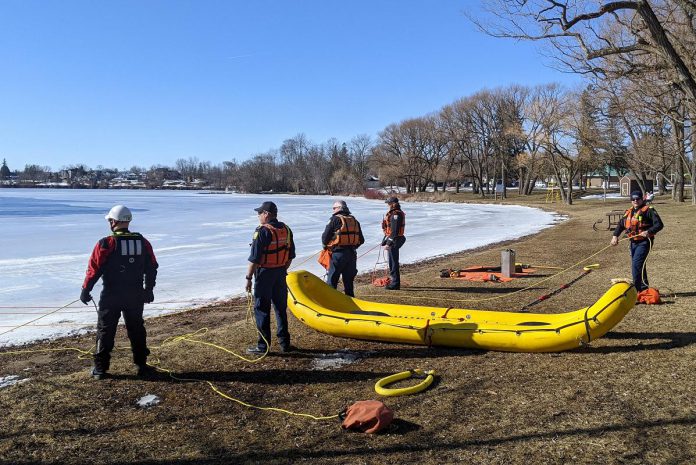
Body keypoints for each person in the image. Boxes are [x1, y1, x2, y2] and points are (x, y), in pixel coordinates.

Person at [80, 205, 159, 380]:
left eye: (110, 220)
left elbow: (94, 268)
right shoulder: (143, 242)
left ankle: (100, 369)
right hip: (135, 295)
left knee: (105, 331)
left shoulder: (106, 243)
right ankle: (142, 366)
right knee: (137, 329)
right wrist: (149, 290)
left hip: (111, 296)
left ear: (114, 221)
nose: (109, 223)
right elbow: (152, 267)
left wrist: (86, 289)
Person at [245, 201, 296, 354]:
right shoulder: (286, 230)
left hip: (265, 274)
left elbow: (254, 258)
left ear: (266, 214)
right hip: (280, 273)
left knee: (262, 309)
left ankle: (263, 347)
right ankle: (284, 344)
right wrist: (281, 269)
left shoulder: (262, 231)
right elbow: (290, 255)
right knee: (280, 308)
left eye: (259, 213)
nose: (258, 216)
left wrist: (248, 278)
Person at [610, 191, 664, 292]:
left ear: (642, 199)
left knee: (636, 265)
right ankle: (643, 289)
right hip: (633, 242)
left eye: (638, 199)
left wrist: (648, 231)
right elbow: (621, 224)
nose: (635, 201)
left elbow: (659, 225)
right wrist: (615, 236)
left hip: (645, 242)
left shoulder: (649, 210)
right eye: (633, 199)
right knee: (639, 265)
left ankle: (637, 291)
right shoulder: (629, 212)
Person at [322, 200, 365, 297]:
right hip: (352, 254)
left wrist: (328, 246)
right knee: (349, 282)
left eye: (334, 208)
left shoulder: (334, 219)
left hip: (338, 254)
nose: (333, 210)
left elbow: (325, 238)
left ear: (339, 208)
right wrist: (352, 246)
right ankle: (350, 304)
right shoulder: (354, 220)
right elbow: (361, 240)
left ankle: (331, 302)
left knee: (332, 280)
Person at [381, 197, 406, 290]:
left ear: (393, 203)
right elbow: (391, 230)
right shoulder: (395, 213)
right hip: (395, 239)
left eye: (389, 203)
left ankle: (395, 284)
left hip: (396, 240)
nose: (388, 205)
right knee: (392, 262)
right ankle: (394, 282)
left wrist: (388, 243)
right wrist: (386, 240)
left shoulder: (396, 214)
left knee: (393, 262)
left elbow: (394, 231)